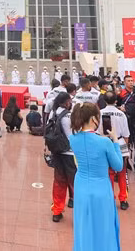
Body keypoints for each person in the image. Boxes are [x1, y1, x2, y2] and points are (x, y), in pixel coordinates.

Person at [69, 102, 124, 251]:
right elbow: (118, 166)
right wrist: (115, 141)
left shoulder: (73, 139)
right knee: (103, 228)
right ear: (94, 118)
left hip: (81, 186)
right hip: (101, 188)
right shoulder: (104, 142)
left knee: (83, 225)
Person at [100, 91, 131, 210]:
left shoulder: (99, 113)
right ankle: (123, 199)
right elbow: (126, 134)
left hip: (105, 144)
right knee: (122, 173)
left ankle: (110, 199)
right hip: (120, 143)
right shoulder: (121, 114)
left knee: (109, 174)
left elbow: (97, 133)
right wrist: (125, 149)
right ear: (116, 101)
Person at [50, 91, 76, 222]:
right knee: (75, 183)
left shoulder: (53, 113)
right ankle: (78, 211)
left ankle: (57, 210)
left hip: (57, 152)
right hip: (70, 153)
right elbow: (74, 134)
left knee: (59, 182)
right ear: (66, 102)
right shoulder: (70, 115)